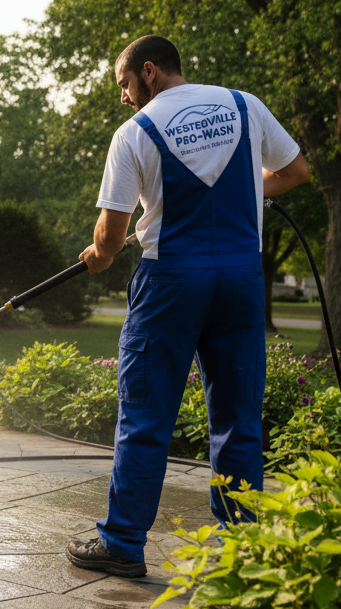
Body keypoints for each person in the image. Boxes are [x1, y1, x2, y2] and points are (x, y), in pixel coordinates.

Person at [66, 35, 311, 577]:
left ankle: (124, 543)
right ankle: (242, 548)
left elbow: (110, 233)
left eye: (125, 85)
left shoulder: (134, 133)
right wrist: (247, 191)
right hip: (242, 281)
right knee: (239, 415)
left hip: (171, 283)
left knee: (147, 412)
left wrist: (101, 256)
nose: (124, 98)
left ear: (148, 72)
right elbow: (296, 173)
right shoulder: (245, 106)